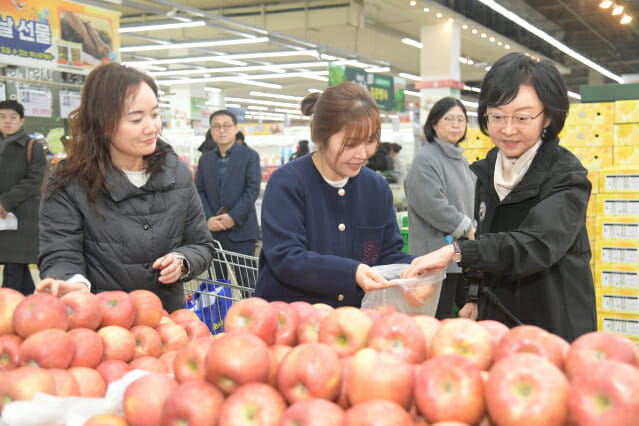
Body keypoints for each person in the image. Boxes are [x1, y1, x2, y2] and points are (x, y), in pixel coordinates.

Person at [402, 52, 597, 342]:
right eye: (496, 117)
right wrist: (473, 295)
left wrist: (457, 251)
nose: (507, 130)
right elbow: (486, 235)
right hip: (497, 323)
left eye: (522, 117)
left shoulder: (566, 176)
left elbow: (536, 244)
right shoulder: (487, 170)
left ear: (548, 117)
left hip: (552, 325)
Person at [36, 63, 215, 313]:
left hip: (165, 323)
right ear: (103, 123)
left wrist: (182, 261)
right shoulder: (69, 182)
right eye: (136, 119)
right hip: (101, 323)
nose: (151, 127)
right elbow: (60, 254)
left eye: (154, 114)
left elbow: (201, 244)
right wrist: (74, 284)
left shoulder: (177, 174)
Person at [255, 81, 413, 306]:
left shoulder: (376, 188)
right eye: (350, 144)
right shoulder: (288, 183)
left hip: (352, 321)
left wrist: (415, 268)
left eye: (370, 141)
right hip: (289, 318)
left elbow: (387, 254)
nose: (362, 154)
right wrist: (352, 271)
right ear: (321, 138)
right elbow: (286, 257)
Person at [404, 97, 476, 320]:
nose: (456, 125)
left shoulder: (461, 160)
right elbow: (433, 205)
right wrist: (466, 227)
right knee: (436, 319)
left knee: (467, 319)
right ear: (434, 124)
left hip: (460, 255)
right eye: (449, 119)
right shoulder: (425, 160)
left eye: (461, 119)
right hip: (434, 258)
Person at [195, 109, 261, 286]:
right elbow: (199, 190)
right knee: (218, 285)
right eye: (216, 126)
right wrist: (208, 219)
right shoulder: (205, 159)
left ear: (236, 128)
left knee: (248, 283)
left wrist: (233, 217)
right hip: (214, 233)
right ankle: (222, 314)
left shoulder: (250, 156)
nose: (221, 130)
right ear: (211, 130)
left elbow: (252, 189)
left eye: (226, 126)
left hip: (241, 231)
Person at [0, 100, 47, 295]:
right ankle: (32, 304)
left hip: (23, 215)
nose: (7, 121)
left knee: (13, 265)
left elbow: (35, 181)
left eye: (12, 117)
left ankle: (5, 309)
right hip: (3, 217)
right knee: (16, 266)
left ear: (21, 121)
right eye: (2, 117)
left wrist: (5, 202)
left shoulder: (32, 147)